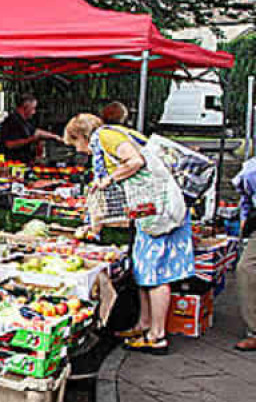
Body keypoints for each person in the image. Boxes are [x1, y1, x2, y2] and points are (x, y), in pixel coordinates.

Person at [65, 113, 194, 355]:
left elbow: (135, 162)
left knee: (157, 274)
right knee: (145, 271)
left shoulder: (105, 136)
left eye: (76, 144)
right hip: (153, 210)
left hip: (159, 211)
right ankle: (143, 325)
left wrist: (108, 179)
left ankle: (157, 336)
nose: (81, 151)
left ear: (81, 136)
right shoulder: (115, 134)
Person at [233, 157, 256, 351]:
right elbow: (246, 198)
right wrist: (244, 218)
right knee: (245, 268)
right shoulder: (250, 170)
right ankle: (254, 331)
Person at [0, 94, 62, 163]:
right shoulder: (12, 121)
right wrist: (31, 139)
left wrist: (55, 137)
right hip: (13, 164)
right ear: (25, 107)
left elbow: (37, 132)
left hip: (24, 163)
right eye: (33, 108)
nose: (34, 112)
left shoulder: (25, 121)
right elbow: (9, 144)